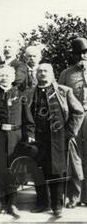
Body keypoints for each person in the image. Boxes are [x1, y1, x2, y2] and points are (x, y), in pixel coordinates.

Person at [29, 63, 84, 218]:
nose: (42, 74)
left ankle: (57, 206)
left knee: (57, 171)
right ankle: (41, 203)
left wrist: (69, 132)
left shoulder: (64, 91)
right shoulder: (29, 93)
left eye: (46, 71)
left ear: (52, 73)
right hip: (36, 139)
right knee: (38, 171)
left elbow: (78, 112)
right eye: (39, 71)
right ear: (36, 74)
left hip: (57, 139)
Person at [0, 65, 35, 217]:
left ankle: (12, 204)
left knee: (14, 172)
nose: (4, 77)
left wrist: (29, 137)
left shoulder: (21, 95)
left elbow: (28, 120)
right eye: (2, 75)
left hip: (16, 138)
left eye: (7, 75)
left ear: (13, 78)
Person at [58, 37, 87, 207]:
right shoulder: (66, 74)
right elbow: (60, 99)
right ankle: (74, 196)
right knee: (74, 158)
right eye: (79, 53)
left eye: (85, 53)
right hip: (74, 119)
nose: (83, 56)